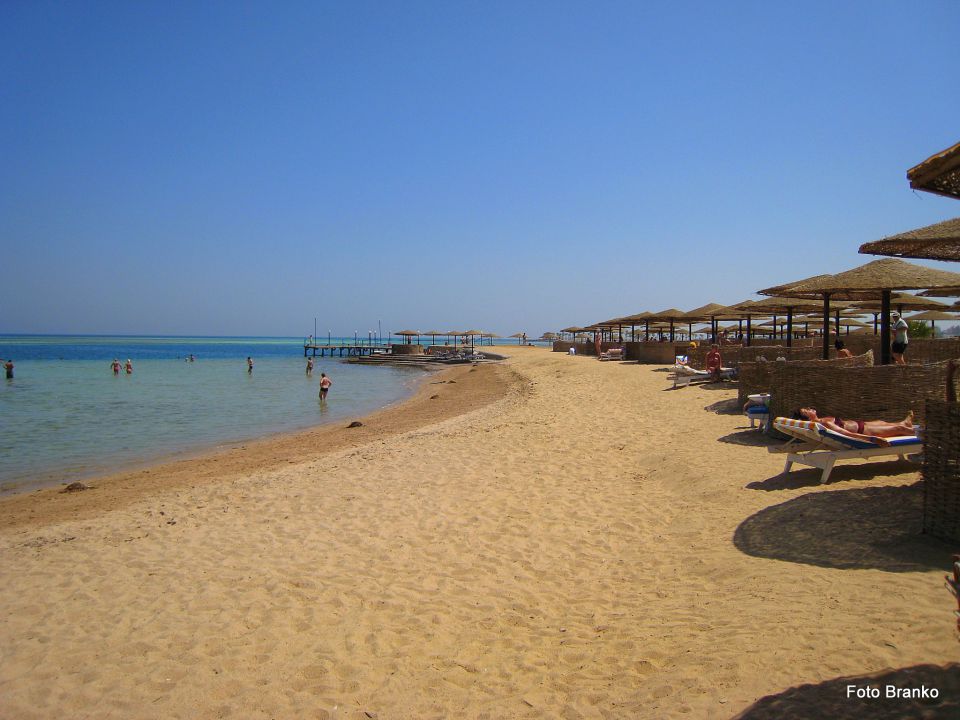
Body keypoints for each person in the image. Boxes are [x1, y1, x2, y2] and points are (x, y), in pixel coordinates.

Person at [794, 407, 916, 447]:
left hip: (862, 425)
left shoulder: (821, 420)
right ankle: (925, 433)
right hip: (864, 431)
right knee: (898, 430)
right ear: (808, 418)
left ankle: (905, 423)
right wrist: (872, 439)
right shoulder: (824, 424)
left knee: (883, 422)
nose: (810, 408)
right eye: (806, 411)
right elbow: (846, 434)